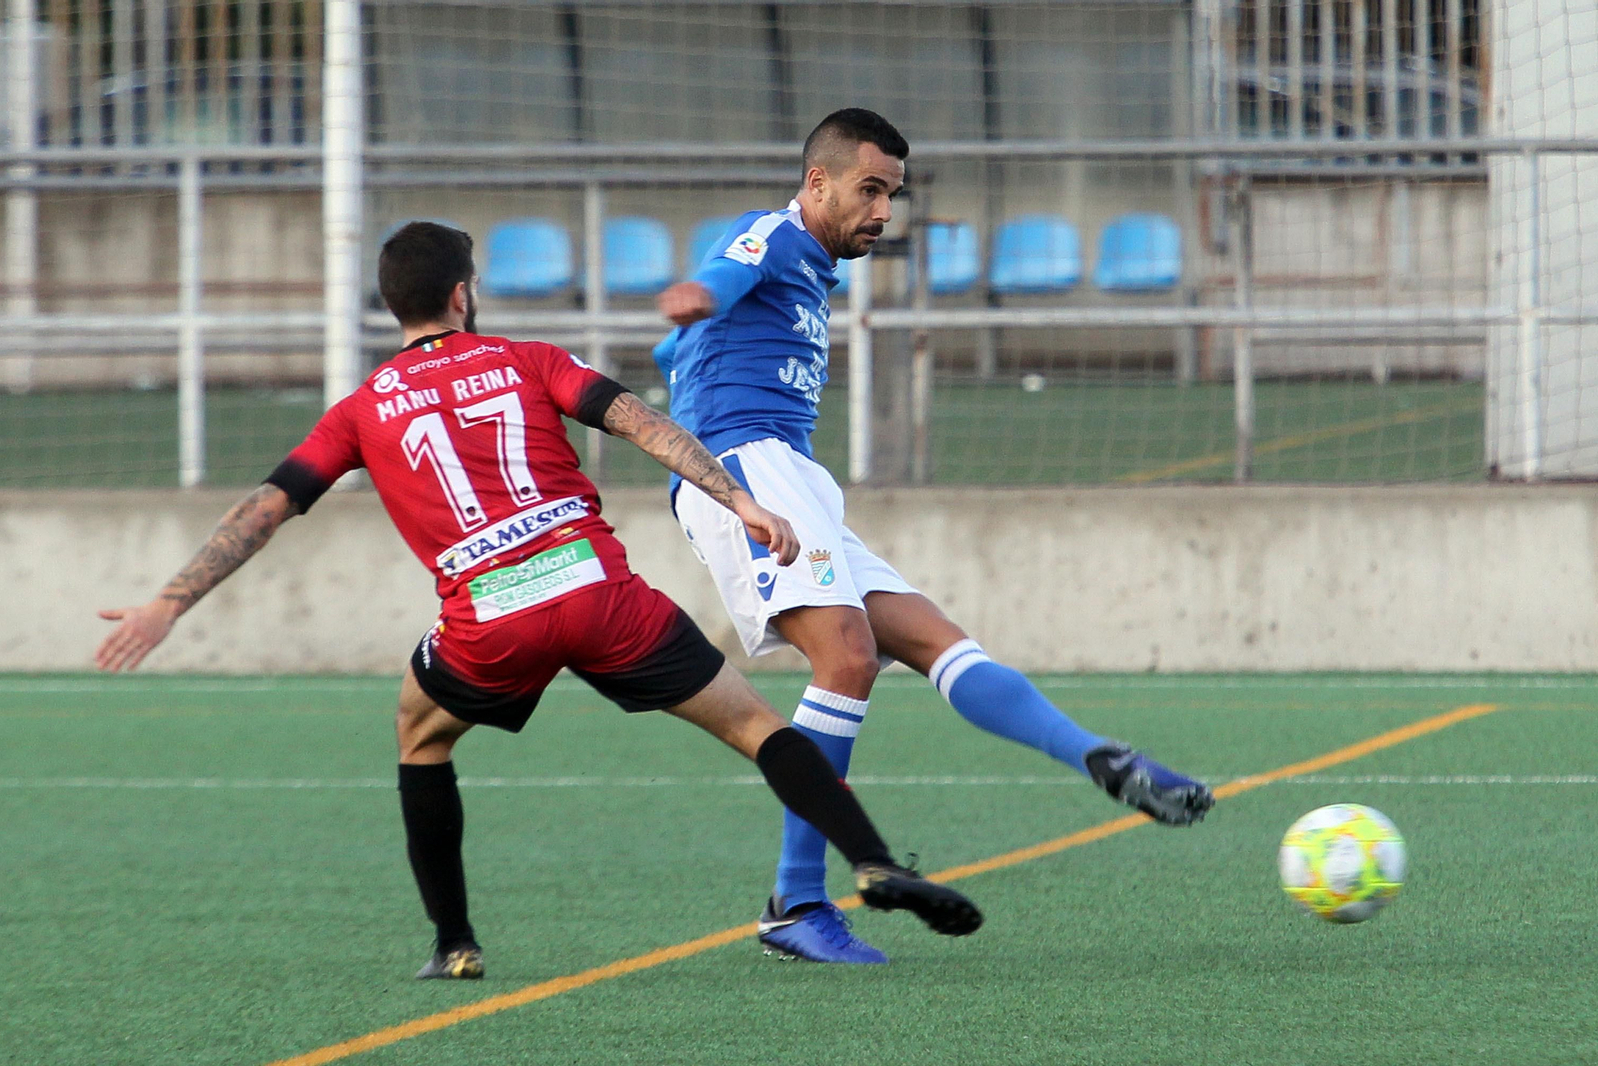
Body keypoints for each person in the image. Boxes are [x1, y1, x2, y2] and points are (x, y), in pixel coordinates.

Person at [95, 221, 981, 980]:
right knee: (758, 727)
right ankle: (868, 860)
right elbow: (641, 422)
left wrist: (168, 603)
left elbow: (267, 508)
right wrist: (738, 499)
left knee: (420, 734)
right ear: (463, 294)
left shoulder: (360, 411)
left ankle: (454, 944)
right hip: (598, 592)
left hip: (490, 617)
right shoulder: (528, 360)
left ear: (394, 306)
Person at [653, 109, 1214, 965]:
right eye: (869, 189)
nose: (884, 211)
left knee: (935, 640)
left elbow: (683, 343)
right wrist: (701, 300)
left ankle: (1100, 757)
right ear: (818, 182)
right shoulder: (773, 233)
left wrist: (683, 345)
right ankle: (795, 901)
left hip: (793, 476)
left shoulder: (812, 266)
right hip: (744, 469)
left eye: (892, 194)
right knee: (845, 658)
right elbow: (726, 273)